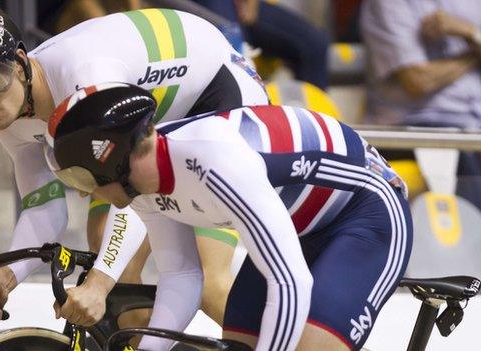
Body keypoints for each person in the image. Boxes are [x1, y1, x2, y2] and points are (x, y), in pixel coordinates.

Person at [0, 5, 269, 327]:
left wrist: (97, 284)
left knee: (208, 282)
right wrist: (3, 279)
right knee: (114, 265)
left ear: (20, 62)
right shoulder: (12, 117)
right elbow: (43, 211)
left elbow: (132, 185)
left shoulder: (84, 75)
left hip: (217, 95)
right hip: (155, 122)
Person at [48, 83, 413, 350]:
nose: (81, 191)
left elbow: (290, 283)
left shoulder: (213, 161)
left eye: (79, 177)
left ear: (111, 160)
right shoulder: (141, 182)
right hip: (299, 224)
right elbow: (183, 273)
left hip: (366, 213)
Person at [361, 0, 481, 210]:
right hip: (413, 127)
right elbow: (418, 80)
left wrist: (472, 32)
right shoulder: (389, 4)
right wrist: (475, 54)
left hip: (472, 124)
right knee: (460, 159)